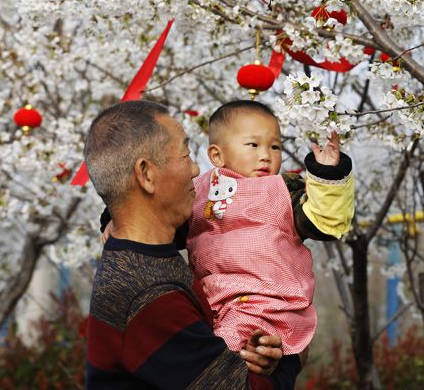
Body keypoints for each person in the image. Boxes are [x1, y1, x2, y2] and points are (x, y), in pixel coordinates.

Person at [84, 100, 299, 389]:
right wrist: (294, 357)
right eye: (185, 155)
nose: (197, 170)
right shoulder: (149, 293)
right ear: (146, 174)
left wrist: (258, 350)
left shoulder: (150, 258)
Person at [187, 100, 355, 372]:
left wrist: (327, 174)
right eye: (253, 145)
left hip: (265, 305)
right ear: (217, 156)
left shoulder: (283, 190)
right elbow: (160, 217)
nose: (266, 155)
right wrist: (113, 218)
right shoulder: (196, 190)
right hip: (212, 300)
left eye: (274, 146)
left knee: (218, 355)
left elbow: (323, 222)